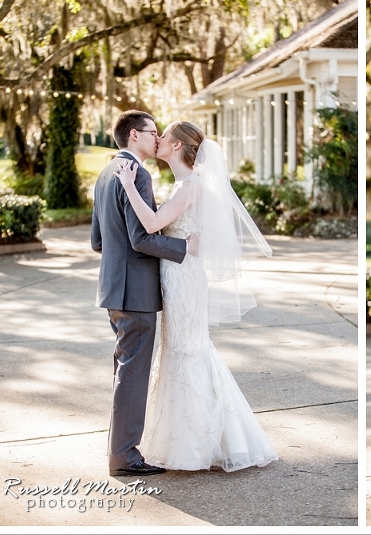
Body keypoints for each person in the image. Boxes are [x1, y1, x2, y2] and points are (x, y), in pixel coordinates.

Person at [113, 120, 278, 473]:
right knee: (181, 351)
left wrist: (128, 185)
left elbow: (153, 225)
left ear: (176, 147)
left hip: (183, 279)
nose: (156, 140)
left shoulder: (189, 187)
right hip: (175, 275)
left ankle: (199, 443)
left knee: (188, 351)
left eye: (163, 137)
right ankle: (185, 439)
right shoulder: (181, 185)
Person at [91, 110, 188, 477]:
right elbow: (141, 238)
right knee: (132, 375)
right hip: (137, 293)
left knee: (123, 371)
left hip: (113, 289)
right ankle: (125, 458)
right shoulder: (139, 176)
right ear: (134, 136)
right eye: (152, 132)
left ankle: (118, 451)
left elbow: (97, 240)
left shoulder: (105, 173)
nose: (158, 138)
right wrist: (184, 248)